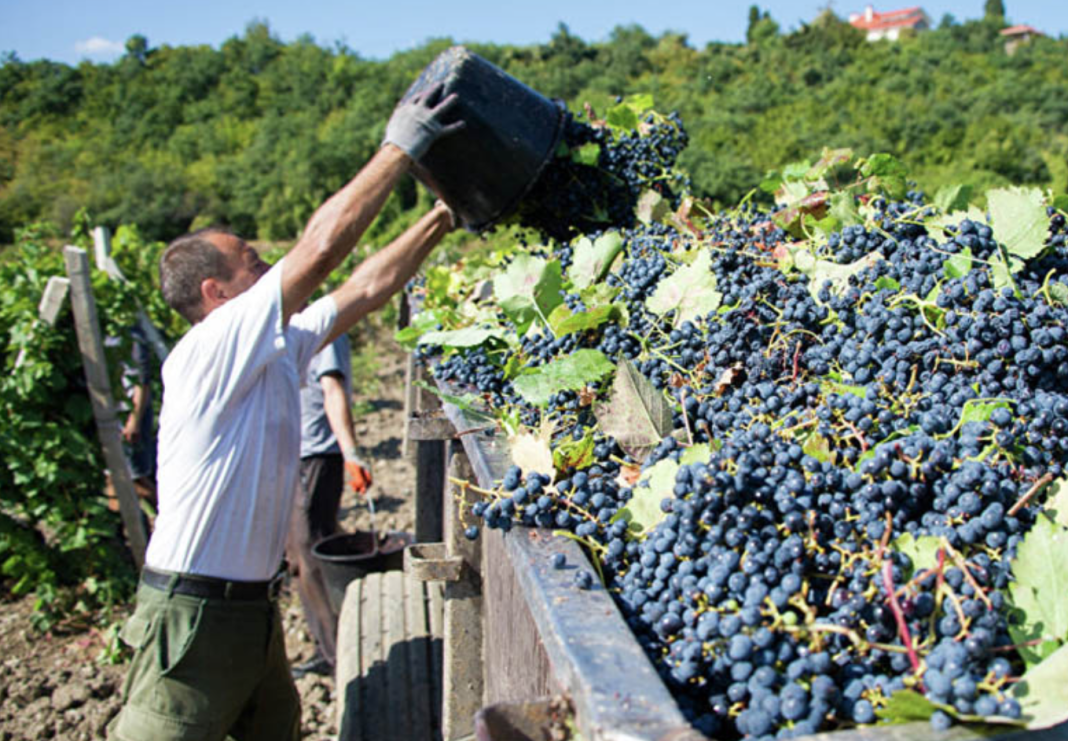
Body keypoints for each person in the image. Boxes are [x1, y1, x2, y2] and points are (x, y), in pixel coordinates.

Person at [107, 83, 463, 741]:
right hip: (188, 616)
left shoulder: (278, 347)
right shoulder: (206, 350)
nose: (271, 265)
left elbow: (365, 287)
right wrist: (401, 147)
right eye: (253, 262)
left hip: (250, 609)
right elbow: (321, 252)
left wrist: (444, 214)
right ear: (218, 293)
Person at [287, 331, 370, 678]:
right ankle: (340, 641)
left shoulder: (322, 329)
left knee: (310, 556)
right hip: (299, 454)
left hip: (317, 454)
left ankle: (339, 655)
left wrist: (350, 452)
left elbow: (333, 389)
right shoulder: (286, 329)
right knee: (304, 552)